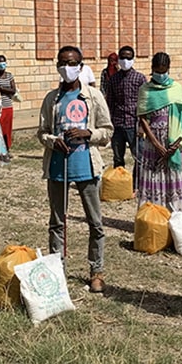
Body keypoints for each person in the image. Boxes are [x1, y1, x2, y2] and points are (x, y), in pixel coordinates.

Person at [37, 45, 112, 293]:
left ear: (80, 66)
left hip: (87, 167)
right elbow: (42, 132)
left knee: (95, 222)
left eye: (71, 63)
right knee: (57, 222)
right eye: (62, 63)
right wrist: (52, 141)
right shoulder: (51, 99)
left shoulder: (93, 96)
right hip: (58, 167)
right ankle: (57, 267)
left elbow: (107, 131)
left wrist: (88, 133)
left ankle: (96, 270)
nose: (66, 68)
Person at [137, 52, 182, 220]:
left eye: (164, 71)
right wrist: (156, 143)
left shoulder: (175, 88)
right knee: (154, 180)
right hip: (153, 143)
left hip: (174, 144)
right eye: (157, 70)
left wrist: (178, 142)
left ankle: (178, 218)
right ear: (152, 69)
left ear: (168, 69)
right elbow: (142, 118)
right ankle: (155, 219)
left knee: (174, 181)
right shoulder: (146, 90)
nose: (160, 74)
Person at [106, 45, 146, 179]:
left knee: (138, 156)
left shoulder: (140, 78)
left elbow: (144, 104)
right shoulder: (113, 79)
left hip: (134, 124)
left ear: (133, 59)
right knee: (118, 157)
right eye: (122, 57)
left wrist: (142, 125)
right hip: (117, 124)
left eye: (128, 58)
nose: (125, 60)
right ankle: (120, 182)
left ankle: (137, 184)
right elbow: (110, 103)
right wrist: (109, 124)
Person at [0, 54, 17, 156]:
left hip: (8, 106)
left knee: (7, 129)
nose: (1, 65)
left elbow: (13, 90)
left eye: (3, 63)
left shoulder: (9, 76)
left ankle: (7, 149)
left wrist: (2, 89)